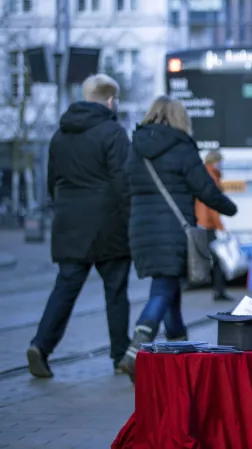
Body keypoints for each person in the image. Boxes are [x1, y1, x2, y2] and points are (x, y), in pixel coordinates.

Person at [117, 96, 237, 381]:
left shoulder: (136, 148)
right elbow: (204, 188)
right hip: (173, 229)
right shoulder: (182, 147)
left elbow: (123, 186)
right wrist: (229, 208)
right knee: (162, 291)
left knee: (169, 288)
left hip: (141, 228)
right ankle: (135, 352)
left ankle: (179, 348)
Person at [27, 74, 132, 378]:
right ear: (111, 100)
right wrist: (130, 221)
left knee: (65, 288)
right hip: (108, 226)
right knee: (115, 292)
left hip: (69, 224)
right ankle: (118, 356)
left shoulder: (60, 135)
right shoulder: (113, 132)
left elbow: (51, 182)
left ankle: (40, 346)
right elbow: (123, 182)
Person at [195, 150, 235, 302]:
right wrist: (220, 226)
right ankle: (218, 290)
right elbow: (212, 205)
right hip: (207, 223)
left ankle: (218, 289)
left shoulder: (205, 174)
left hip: (203, 222)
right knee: (218, 258)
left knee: (212, 257)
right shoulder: (211, 176)